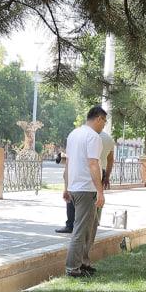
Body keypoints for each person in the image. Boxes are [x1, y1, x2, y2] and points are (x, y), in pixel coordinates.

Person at [63, 106, 108, 277]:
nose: (104, 125)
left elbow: (68, 163)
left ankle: (84, 263)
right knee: (81, 230)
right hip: (86, 189)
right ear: (98, 119)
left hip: (75, 187)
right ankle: (72, 268)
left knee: (91, 227)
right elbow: (93, 164)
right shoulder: (93, 137)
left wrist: (66, 187)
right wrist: (100, 191)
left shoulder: (74, 134)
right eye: (104, 122)